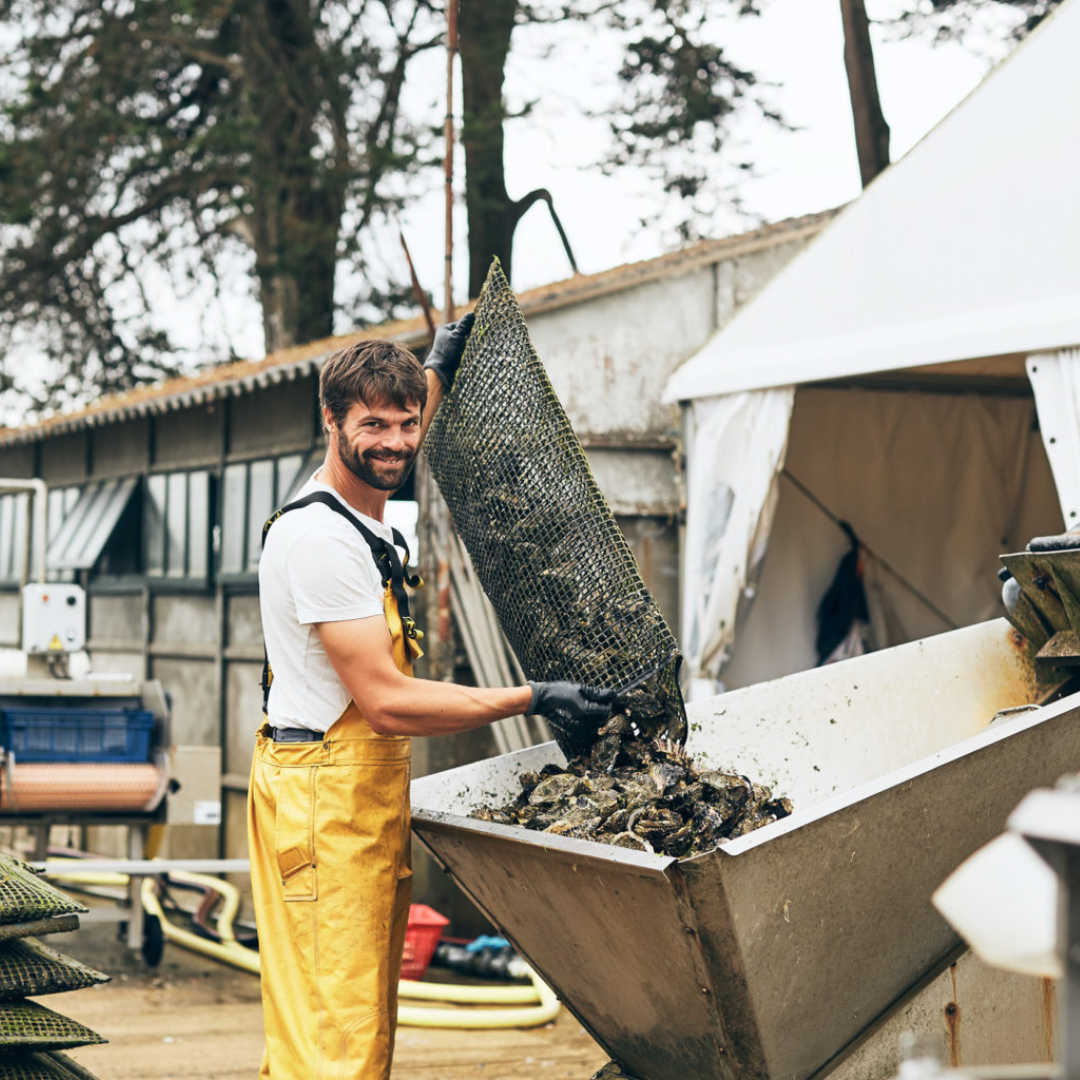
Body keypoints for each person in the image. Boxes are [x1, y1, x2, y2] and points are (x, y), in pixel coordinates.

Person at [247, 316, 614, 1079]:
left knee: (358, 1022)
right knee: (335, 1042)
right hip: (324, 805)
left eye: (409, 423)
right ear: (330, 420)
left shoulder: (363, 497)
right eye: (372, 424)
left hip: (354, 799)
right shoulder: (324, 543)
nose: (395, 441)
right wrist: (533, 696)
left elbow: (400, 430)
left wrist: (438, 366)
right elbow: (385, 702)